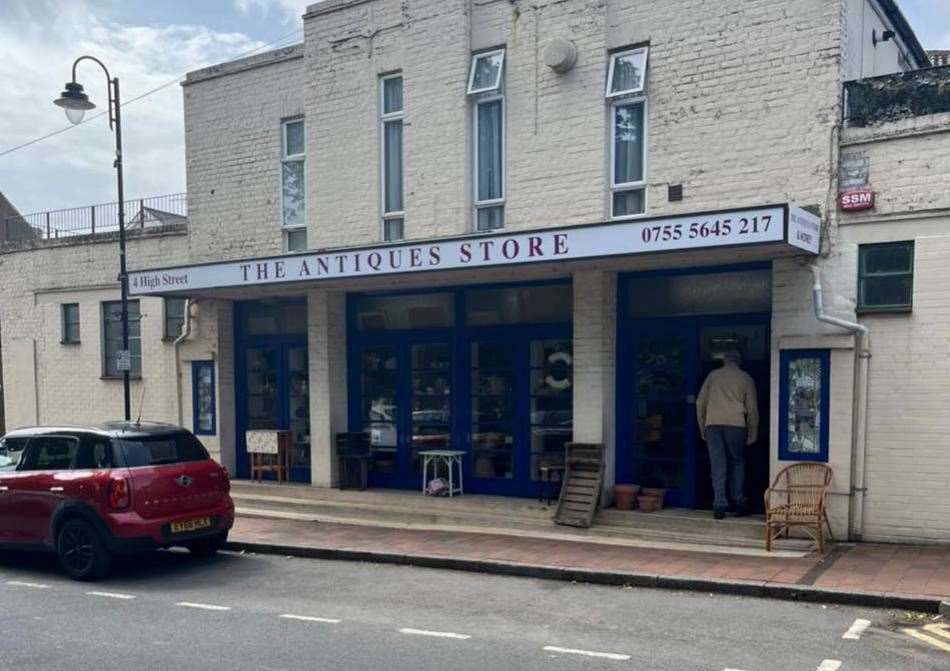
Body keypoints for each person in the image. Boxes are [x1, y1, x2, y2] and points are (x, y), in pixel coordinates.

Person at [696, 349, 759, 520]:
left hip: (713, 424)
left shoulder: (713, 376)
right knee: (737, 463)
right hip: (736, 424)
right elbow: (752, 408)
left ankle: (719, 505)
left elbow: (700, 402)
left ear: (724, 361)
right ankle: (739, 502)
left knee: (718, 465)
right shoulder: (745, 378)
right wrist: (753, 432)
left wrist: (703, 427)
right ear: (739, 361)